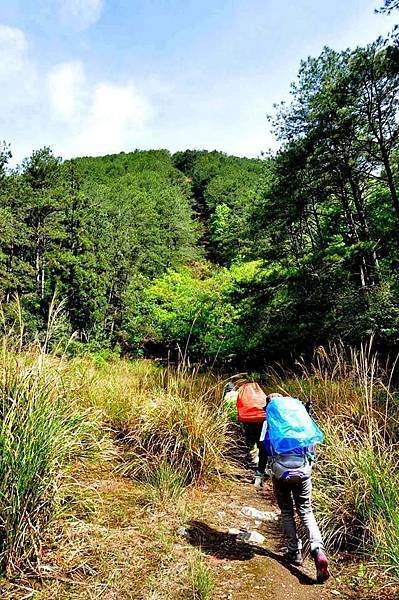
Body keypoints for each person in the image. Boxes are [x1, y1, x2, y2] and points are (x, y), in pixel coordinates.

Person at [262, 392, 330, 584]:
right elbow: (312, 445)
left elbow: (264, 446)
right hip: (303, 471)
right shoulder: (299, 417)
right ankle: (318, 549)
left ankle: (294, 552)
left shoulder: (270, 420)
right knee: (306, 511)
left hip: (281, 472)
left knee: (286, 512)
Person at [235, 381, 268, 488]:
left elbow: (239, 410)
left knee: (251, 442)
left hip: (248, 423)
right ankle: (261, 470)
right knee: (262, 445)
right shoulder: (261, 396)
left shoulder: (242, 395)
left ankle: (254, 463)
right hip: (262, 422)